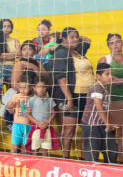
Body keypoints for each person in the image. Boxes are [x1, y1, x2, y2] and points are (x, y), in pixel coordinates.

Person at [51, 27, 91, 159]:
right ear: (63, 38)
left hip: (86, 96)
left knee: (86, 130)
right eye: (71, 37)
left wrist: (73, 39)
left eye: (76, 37)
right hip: (72, 97)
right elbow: (61, 78)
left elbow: (88, 40)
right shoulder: (61, 53)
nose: (75, 39)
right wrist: (69, 99)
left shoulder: (77, 51)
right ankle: (65, 159)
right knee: (69, 131)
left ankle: (85, 159)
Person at [99, 34, 123, 164]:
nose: (115, 45)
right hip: (109, 101)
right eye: (112, 43)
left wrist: (118, 80)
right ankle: (110, 163)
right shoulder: (104, 60)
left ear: (122, 43)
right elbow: (105, 82)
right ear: (108, 45)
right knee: (109, 135)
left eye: (117, 42)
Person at [82, 62, 114, 163]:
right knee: (92, 153)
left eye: (111, 74)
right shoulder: (96, 87)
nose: (111, 76)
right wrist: (108, 123)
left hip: (102, 124)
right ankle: (90, 170)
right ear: (98, 76)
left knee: (112, 151)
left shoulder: (106, 90)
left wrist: (110, 123)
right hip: (91, 125)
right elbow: (99, 107)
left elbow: (106, 109)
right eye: (107, 74)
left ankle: (108, 170)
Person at [27, 79, 56, 156]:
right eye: (39, 87)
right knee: (35, 149)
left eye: (43, 87)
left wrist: (47, 122)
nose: (41, 89)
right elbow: (28, 114)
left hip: (46, 127)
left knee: (45, 150)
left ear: (46, 87)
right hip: (36, 128)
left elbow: (53, 113)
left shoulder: (50, 100)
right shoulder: (32, 100)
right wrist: (37, 123)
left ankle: (45, 162)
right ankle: (34, 163)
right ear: (34, 88)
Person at [6, 77, 33, 155]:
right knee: (14, 147)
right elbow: (11, 111)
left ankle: (24, 162)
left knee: (25, 148)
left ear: (31, 87)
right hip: (17, 125)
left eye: (25, 87)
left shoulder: (32, 98)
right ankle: (11, 161)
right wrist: (10, 105)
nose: (22, 90)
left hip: (28, 126)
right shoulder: (16, 96)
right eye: (21, 87)